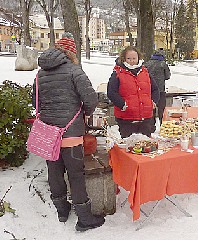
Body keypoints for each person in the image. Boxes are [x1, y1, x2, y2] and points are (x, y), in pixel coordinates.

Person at [33, 32, 105, 231]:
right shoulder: (75, 71)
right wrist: (85, 114)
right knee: (76, 174)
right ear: (72, 53)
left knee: (54, 171)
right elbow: (90, 99)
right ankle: (84, 218)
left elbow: (35, 103)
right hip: (70, 133)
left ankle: (62, 210)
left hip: (48, 133)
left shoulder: (40, 74)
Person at [107, 46, 160, 138]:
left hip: (146, 117)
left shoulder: (146, 72)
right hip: (126, 118)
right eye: (129, 58)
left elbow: (155, 90)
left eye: (134, 58)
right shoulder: (117, 73)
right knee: (129, 146)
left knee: (145, 145)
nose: (132, 61)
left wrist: (153, 102)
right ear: (124, 58)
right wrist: (123, 105)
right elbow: (111, 92)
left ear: (138, 58)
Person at [144, 49, 171, 126]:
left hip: (150, 90)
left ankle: (152, 126)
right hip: (160, 90)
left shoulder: (147, 64)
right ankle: (162, 125)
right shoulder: (163, 64)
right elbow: (167, 76)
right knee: (161, 108)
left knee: (151, 108)